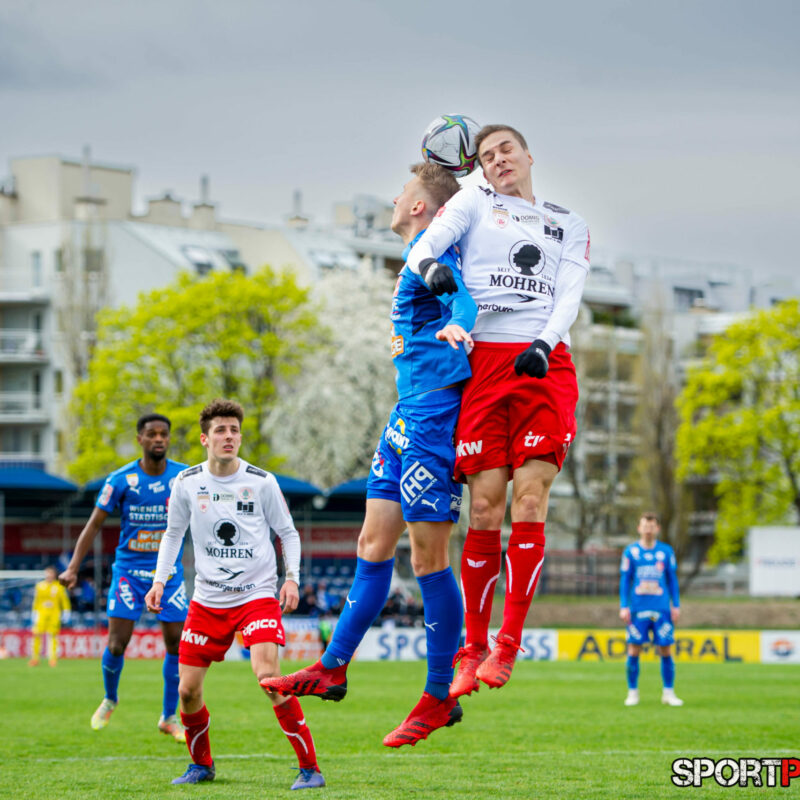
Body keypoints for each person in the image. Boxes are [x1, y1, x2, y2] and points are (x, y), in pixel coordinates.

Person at [263, 162, 476, 748]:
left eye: (404, 191)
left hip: (433, 416)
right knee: (371, 543)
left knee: (429, 556)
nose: (394, 196)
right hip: (404, 414)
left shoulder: (434, 256)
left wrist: (460, 326)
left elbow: (459, 300)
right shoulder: (417, 253)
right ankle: (333, 667)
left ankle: (438, 696)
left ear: (420, 208)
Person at [405, 124, 591, 695]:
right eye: (486, 156)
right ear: (480, 170)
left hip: (543, 361)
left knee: (530, 498)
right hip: (483, 363)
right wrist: (432, 271)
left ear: (529, 155)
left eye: (506, 149)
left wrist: (546, 342)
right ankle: (472, 647)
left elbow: (570, 291)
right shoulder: (472, 202)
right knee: (484, 510)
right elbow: (422, 249)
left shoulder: (570, 223)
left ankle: (507, 645)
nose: (498, 160)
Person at [144, 398, 325, 790]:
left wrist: (291, 577)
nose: (229, 437)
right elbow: (173, 534)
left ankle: (311, 769)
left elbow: (288, 533)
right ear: (204, 439)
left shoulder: (261, 481)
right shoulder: (187, 482)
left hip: (256, 595)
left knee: (268, 677)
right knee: (187, 691)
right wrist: (160, 580)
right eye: (221, 431)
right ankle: (201, 766)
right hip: (207, 600)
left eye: (234, 430)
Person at [59, 413, 188, 739]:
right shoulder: (120, 479)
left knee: (176, 644)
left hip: (168, 573)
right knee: (117, 644)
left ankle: (169, 716)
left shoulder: (184, 477)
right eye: (152, 434)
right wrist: (73, 567)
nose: (159, 439)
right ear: (140, 439)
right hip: (129, 572)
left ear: (169, 440)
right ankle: (110, 698)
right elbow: (93, 525)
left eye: (164, 434)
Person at [619, 512, 683, 707]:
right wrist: (623, 606)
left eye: (652, 526)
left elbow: (672, 580)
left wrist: (676, 605)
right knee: (633, 648)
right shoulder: (631, 552)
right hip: (638, 609)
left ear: (657, 529)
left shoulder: (666, 551)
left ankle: (668, 692)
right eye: (645, 526)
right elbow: (624, 580)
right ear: (639, 528)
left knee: (665, 648)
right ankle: (632, 692)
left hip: (661, 608)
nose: (648, 529)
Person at [29, 566, 71, 667]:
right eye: (47, 573)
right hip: (41, 614)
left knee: (53, 637)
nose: (49, 575)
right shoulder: (39, 586)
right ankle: (35, 658)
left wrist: (66, 611)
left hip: (54, 614)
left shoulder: (59, 586)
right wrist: (34, 612)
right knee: (37, 635)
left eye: (51, 573)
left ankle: (52, 659)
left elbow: (64, 600)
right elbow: (36, 600)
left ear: (54, 575)